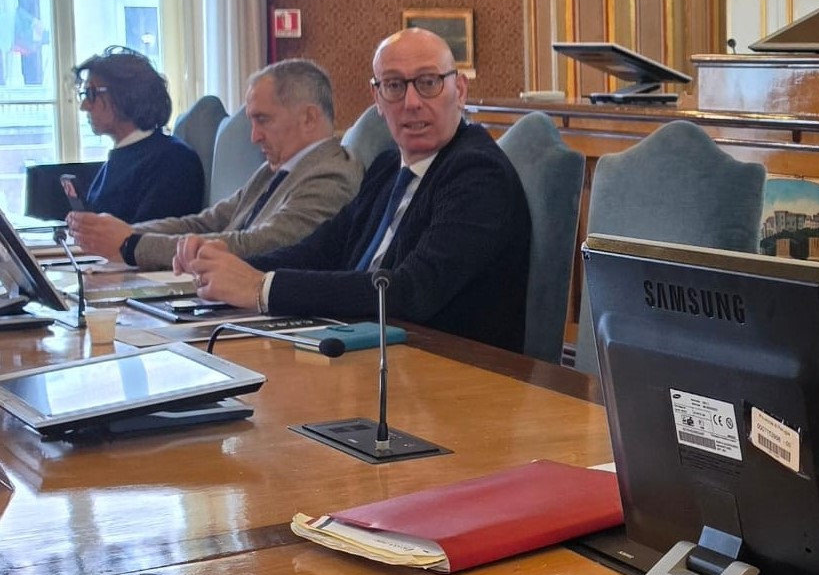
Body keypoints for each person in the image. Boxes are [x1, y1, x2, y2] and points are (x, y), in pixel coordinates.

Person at [185, 29, 531, 352]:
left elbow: (410, 293)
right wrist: (228, 266)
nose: (411, 102)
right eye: (394, 86)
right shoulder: (386, 167)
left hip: (447, 369)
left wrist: (260, 288)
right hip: (360, 347)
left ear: (460, 91)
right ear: (377, 98)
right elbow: (322, 250)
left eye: (428, 83)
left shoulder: (478, 174)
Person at [67, 59, 361, 272]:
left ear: (308, 118)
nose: (254, 136)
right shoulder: (277, 168)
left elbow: (260, 245)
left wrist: (132, 244)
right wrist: (122, 232)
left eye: (263, 120)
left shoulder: (331, 173)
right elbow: (206, 222)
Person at [73, 46, 204, 222]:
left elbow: (148, 241)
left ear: (125, 95)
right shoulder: (123, 154)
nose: (84, 106)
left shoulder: (173, 160)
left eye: (91, 94)